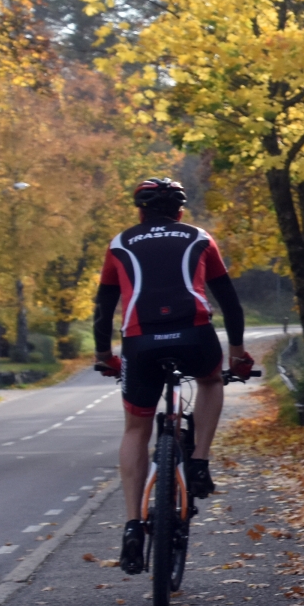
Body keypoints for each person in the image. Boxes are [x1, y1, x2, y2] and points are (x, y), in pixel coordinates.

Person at [92, 177, 253, 575]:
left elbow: (103, 308)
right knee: (211, 380)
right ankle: (198, 461)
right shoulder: (199, 237)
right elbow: (230, 302)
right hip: (194, 335)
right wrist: (237, 354)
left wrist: (104, 357)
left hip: (140, 341)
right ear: (180, 212)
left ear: (140, 211)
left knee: (136, 429)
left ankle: (133, 524)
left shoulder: (119, 243)